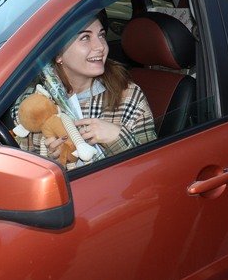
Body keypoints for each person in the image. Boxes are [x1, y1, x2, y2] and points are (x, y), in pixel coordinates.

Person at [12, 10, 156, 167]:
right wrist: (53, 163)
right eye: (85, 37)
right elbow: (21, 166)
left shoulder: (128, 96)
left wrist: (117, 137)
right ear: (57, 54)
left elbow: (152, 166)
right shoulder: (34, 100)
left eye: (101, 35)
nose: (100, 46)